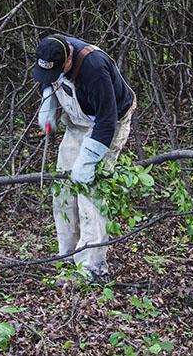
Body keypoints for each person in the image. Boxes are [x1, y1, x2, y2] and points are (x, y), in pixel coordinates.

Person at [34, 33, 137, 280]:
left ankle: (91, 269)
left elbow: (107, 120)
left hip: (106, 126)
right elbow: (47, 78)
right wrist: (48, 101)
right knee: (63, 191)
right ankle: (67, 258)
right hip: (76, 125)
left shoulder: (94, 68)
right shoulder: (50, 51)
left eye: (57, 72)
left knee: (89, 194)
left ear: (68, 60)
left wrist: (89, 159)